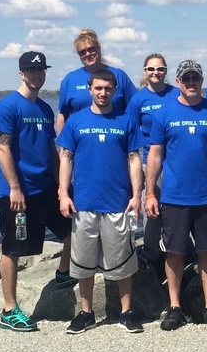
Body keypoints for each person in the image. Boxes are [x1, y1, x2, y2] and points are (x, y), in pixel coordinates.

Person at [145, 60, 207, 331]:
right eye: (186, 79)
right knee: (174, 253)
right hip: (174, 197)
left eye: (196, 78)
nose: (191, 83)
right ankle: (175, 307)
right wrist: (150, 193)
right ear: (178, 81)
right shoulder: (164, 113)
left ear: (201, 80)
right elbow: (155, 155)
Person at [0, 51, 76, 332]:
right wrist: (14, 188)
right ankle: (9, 310)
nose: (37, 75)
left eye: (41, 70)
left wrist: (62, 186)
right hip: (19, 193)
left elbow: (50, 150)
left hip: (47, 188)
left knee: (74, 229)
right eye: (31, 70)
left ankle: (63, 274)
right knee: (13, 249)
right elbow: (2, 148)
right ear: (21, 73)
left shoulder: (44, 109)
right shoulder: (6, 107)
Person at [58, 68, 144, 334]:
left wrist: (137, 195)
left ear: (114, 90)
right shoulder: (76, 121)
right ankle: (86, 313)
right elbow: (66, 158)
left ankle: (126, 312)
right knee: (83, 262)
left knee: (123, 262)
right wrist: (63, 193)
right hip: (84, 203)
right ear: (90, 89)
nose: (103, 93)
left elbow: (134, 158)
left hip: (117, 203)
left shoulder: (126, 120)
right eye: (98, 88)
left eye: (108, 88)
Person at [125, 54, 178, 265]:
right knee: (152, 205)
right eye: (151, 69)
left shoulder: (176, 93)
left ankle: (180, 246)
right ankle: (150, 250)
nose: (155, 73)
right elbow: (129, 129)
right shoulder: (139, 99)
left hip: (175, 159)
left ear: (166, 71)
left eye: (160, 69)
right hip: (150, 159)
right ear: (144, 72)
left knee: (177, 205)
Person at [57, 29, 136, 133]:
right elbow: (62, 115)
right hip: (80, 143)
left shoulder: (119, 76)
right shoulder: (70, 80)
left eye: (91, 49)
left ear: (99, 48)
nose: (88, 54)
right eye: (82, 52)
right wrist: (63, 146)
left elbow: (135, 109)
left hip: (116, 140)